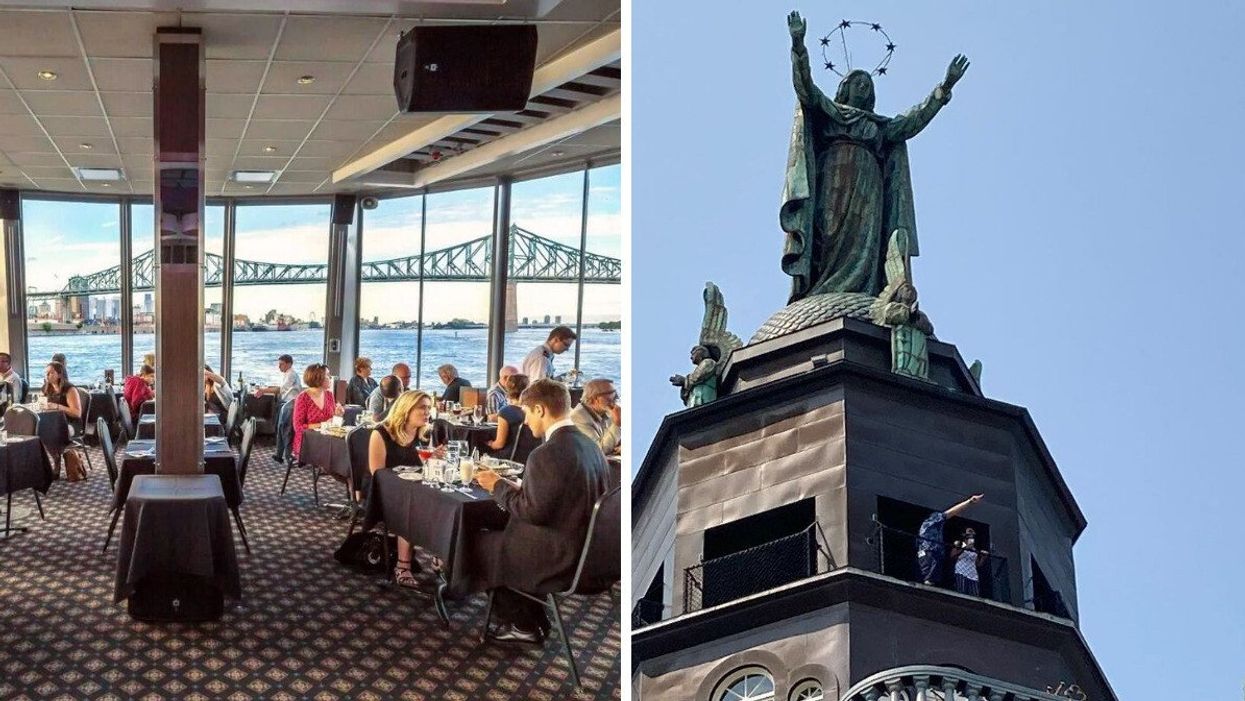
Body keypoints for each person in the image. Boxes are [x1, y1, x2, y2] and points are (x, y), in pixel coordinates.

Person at [474, 379, 610, 643]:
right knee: (499, 538)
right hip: (589, 552)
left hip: (558, 556)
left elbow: (532, 512)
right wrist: (518, 486)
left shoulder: (545, 453)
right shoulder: (592, 447)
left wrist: (497, 486)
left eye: (526, 413)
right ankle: (532, 616)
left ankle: (523, 623)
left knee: (479, 544)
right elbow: (562, 495)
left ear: (539, 410)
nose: (525, 422)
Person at [368, 390, 435, 588]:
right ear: (406, 409)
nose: (427, 412)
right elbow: (377, 473)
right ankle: (402, 566)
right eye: (422, 407)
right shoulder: (381, 433)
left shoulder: (424, 434)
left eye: (429, 408)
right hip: (386, 492)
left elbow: (424, 470)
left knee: (444, 504)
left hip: (415, 490)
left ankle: (441, 557)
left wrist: (435, 461)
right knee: (411, 507)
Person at [916, 494, 984, 586]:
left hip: (926, 550)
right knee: (929, 575)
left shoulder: (925, 527)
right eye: (969, 532)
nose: (971, 535)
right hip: (931, 550)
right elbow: (950, 513)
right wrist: (969, 501)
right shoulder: (933, 520)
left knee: (930, 575)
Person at [291, 363, 344, 459]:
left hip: (326, 439)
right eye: (327, 375)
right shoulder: (303, 398)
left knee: (346, 447)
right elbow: (298, 428)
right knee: (340, 452)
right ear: (318, 378)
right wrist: (322, 424)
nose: (330, 377)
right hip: (308, 441)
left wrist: (338, 416)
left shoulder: (329, 395)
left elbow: (332, 423)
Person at [570, 378, 621, 456]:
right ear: (594, 399)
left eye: (615, 393)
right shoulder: (577, 418)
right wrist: (617, 424)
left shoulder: (606, 411)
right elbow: (598, 450)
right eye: (611, 394)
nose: (616, 398)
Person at [485, 374, 529, 457]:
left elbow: (499, 444)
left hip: (510, 457)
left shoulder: (506, 411)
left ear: (508, 388)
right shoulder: (532, 411)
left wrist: (490, 443)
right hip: (528, 456)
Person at [949, 527, 990, 596]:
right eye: (969, 536)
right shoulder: (959, 545)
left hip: (973, 574)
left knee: (975, 594)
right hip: (961, 571)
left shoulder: (974, 549)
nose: (971, 538)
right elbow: (952, 556)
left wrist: (983, 558)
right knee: (961, 592)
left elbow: (978, 564)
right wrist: (965, 548)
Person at [42, 361, 82, 425]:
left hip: (69, 423)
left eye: (51, 373)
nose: (47, 375)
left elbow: (77, 413)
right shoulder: (46, 387)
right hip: (53, 420)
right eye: (46, 372)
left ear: (59, 375)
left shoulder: (70, 389)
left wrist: (57, 407)